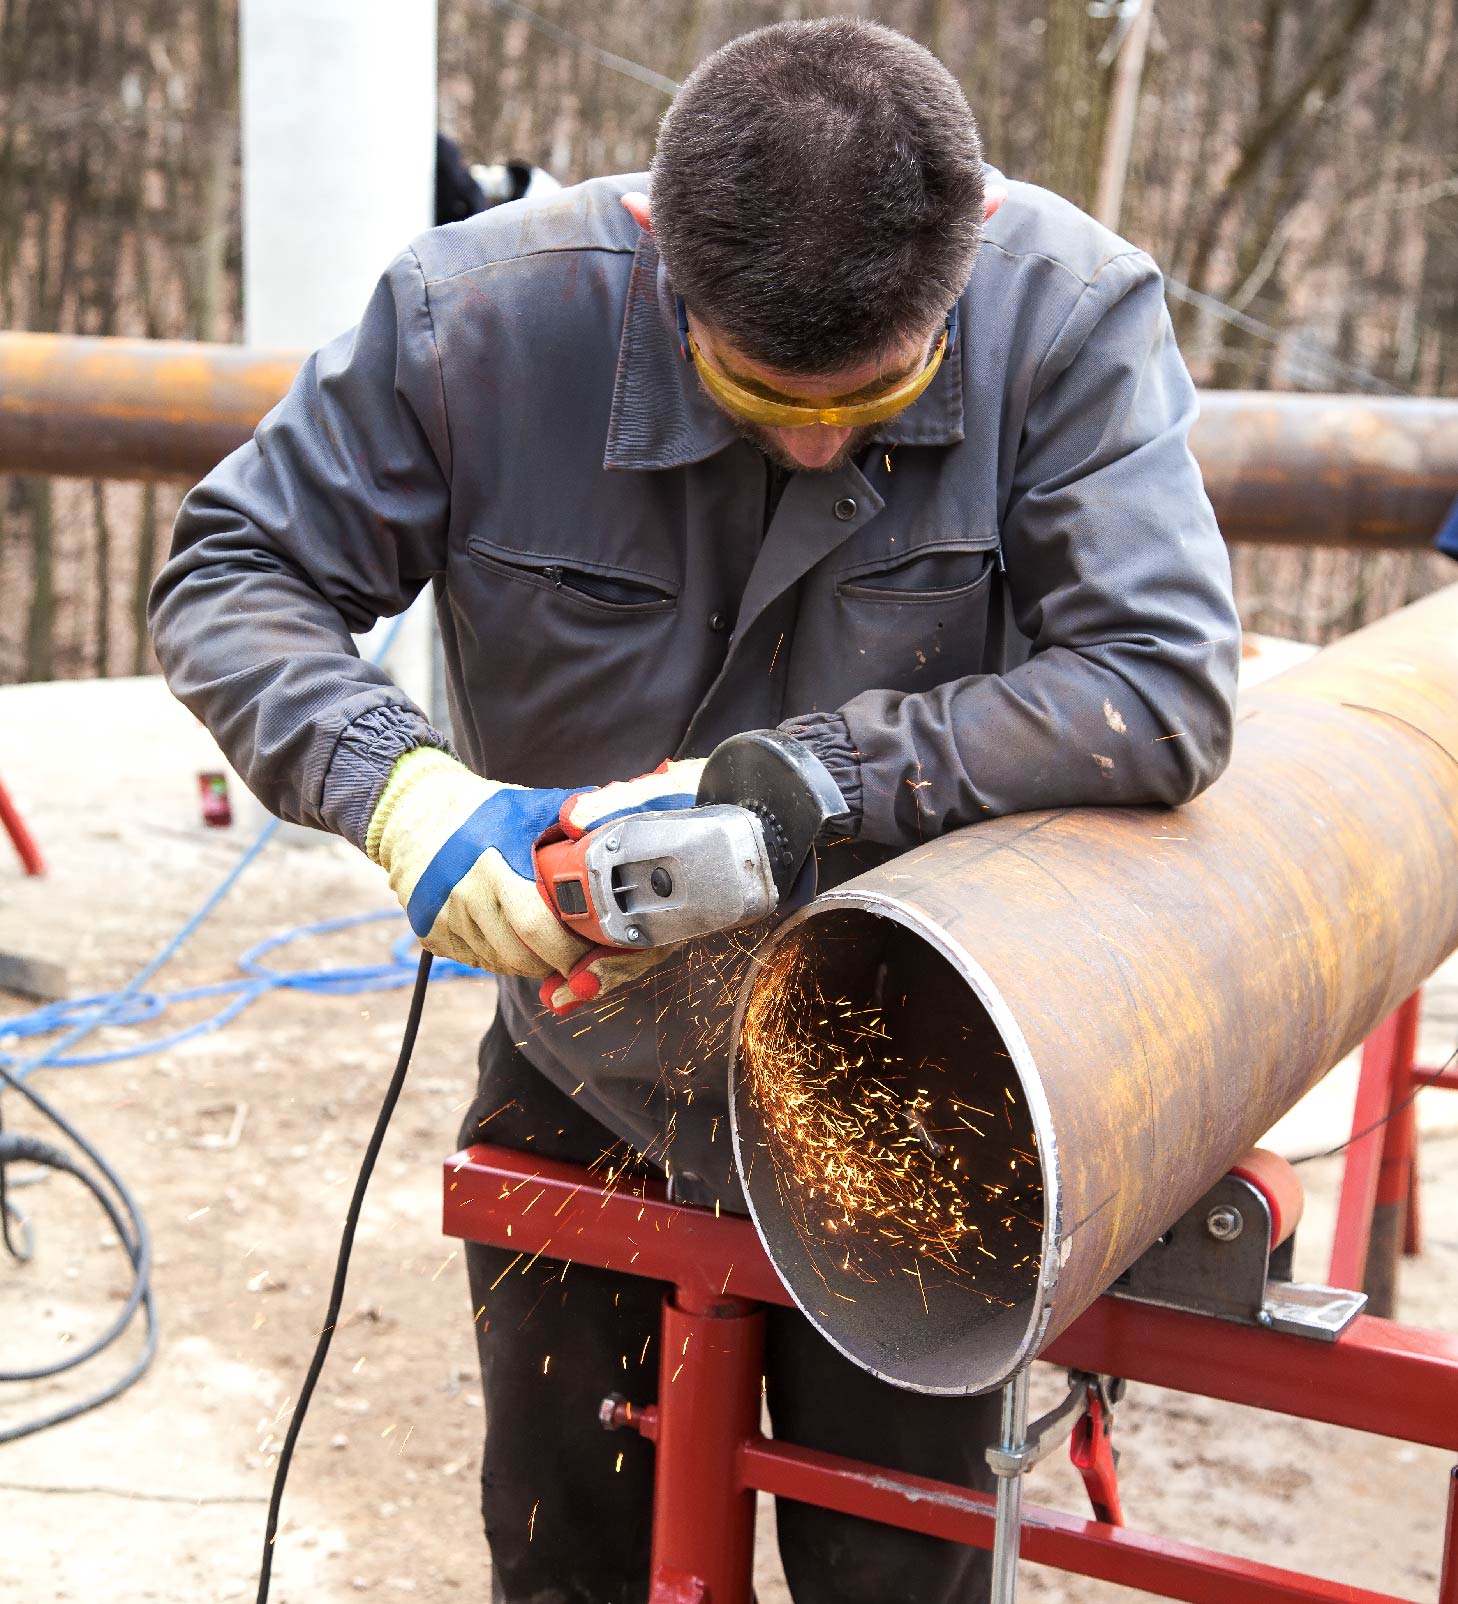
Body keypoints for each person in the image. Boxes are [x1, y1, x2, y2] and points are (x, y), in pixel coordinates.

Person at [150, 19, 1239, 1603]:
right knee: (567, 1547)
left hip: (917, 1090)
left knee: (892, 1570)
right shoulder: (481, 319)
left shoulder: (1064, 316)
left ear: (974, 239)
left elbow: (1158, 685)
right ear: (658, 240)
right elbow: (232, 572)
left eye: (873, 397)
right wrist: (394, 783)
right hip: (587, 1063)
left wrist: (831, 777)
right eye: (752, 386)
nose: (810, 440)